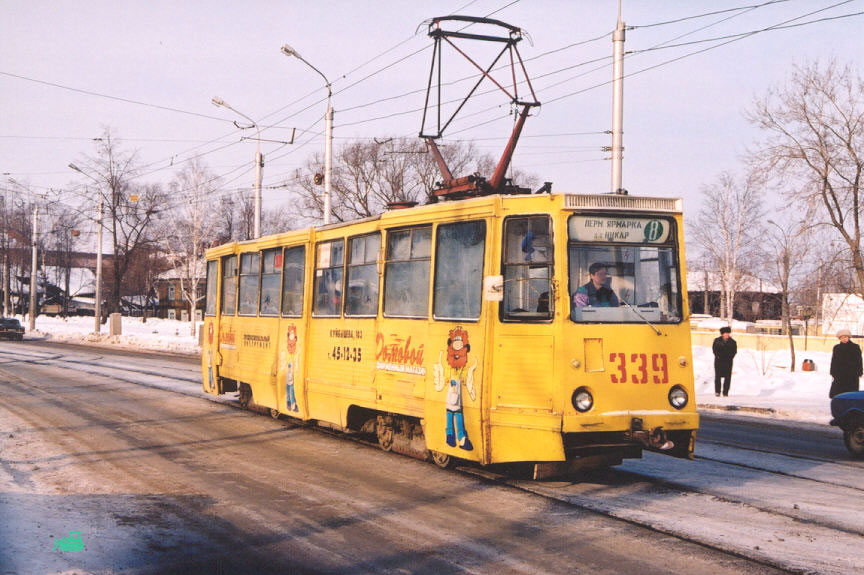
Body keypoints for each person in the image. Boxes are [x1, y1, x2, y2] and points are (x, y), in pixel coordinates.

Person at [829, 329, 862, 398]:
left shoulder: (855, 347)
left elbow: (859, 360)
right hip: (840, 374)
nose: (844, 339)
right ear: (840, 338)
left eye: (846, 337)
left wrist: (859, 372)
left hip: (852, 375)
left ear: (849, 337)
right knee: (838, 394)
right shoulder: (837, 348)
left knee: (851, 394)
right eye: (842, 337)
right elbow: (834, 361)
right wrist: (833, 372)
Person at [712, 326, 737, 397]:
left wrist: (729, 357)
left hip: (728, 362)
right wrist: (719, 356)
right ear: (722, 334)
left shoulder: (732, 342)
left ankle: (725, 392)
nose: (727, 335)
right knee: (717, 377)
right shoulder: (717, 341)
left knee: (728, 377)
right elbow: (714, 350)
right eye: (725, 333)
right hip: (719, 361)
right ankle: (717, 392)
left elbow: (734, 351)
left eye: (728, 333)